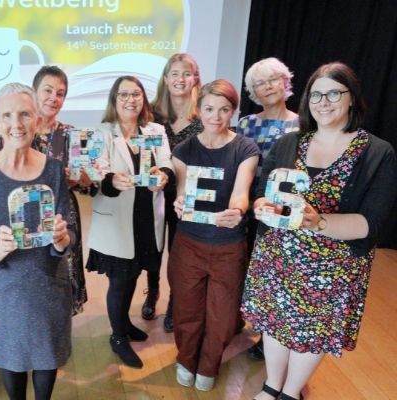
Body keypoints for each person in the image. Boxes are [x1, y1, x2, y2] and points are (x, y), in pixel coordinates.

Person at [242, 62, 397, 400]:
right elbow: (261, 195)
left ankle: (291, 392)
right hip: (278, 257)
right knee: (275, 322)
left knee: (314, 332)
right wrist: (260, 207)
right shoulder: (289, 143)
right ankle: (272, 385)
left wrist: (319, 222)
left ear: (352, 97)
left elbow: (372, 223)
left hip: (334, 267)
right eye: (316, 95)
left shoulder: (377, 152)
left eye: (333, 93)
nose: (323, 102)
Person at [0, 83, 74, 400]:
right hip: (5, 290)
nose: (17, 123)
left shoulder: (54, 170)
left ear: (37, 121)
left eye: (25, 114)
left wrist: (62, 238)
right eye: (8, 115)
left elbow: (69, 234)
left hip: (48, 282)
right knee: (11, 361)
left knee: (47, 356)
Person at [168, 80, 259, 391]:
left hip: (228, 245)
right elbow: (182, 193)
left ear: (233, 111)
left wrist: (237, 210)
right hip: (189, 243)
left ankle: (208, 364)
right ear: (199, 110)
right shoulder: (184, 149)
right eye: (209, 109)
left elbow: (241, 193)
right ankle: (186, 359)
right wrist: (179, 202)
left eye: (224, 110)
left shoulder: (245, 148)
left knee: (222, 312)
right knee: (186, 307)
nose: (216, 116)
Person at [86, 76, 172, 369]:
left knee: (134, 274)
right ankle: (118, 337)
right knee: (120, 281)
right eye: (123, 94)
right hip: (116, 219)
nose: (130, 100)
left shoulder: (155, 130)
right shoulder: (102, 133)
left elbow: (167, 163)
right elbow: (97, 176)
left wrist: (164, 176)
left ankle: (123, 324)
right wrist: (111, 180)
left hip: (147, 217)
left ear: (143, 99)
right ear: (114, 99)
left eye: (136, 94)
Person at [236, 57, 300, 360]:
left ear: (285, 82)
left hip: (280, 213)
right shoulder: (246, 123)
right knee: (242, 265)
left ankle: (267, 335)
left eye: (272, 79)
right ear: (253, 91)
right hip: (246, 204)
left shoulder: (302, 124)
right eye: (259, 83)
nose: (267, 87)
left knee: (272, 274)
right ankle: (236, 319)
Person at [148, 53, 203, 332]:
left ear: (195, 79)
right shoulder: (152, 113)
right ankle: (152, 290)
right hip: (154, 193)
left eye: (187, 73)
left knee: (179, 253)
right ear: (166, 79)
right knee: (153, 249)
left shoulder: (205, 114)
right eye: (175, 73)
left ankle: (174, 302)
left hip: (188, 197)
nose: (180, 79)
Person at [31, 65, 88, 315]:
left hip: (63, 213)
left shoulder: (70, 135)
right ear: (34, 92)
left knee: (64, 268)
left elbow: (86, 181)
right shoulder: (19, 131)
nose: (54, 98)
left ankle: (62, 327)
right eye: (48, 90)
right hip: (28, 212)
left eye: (61, 93)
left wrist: (81, 177)